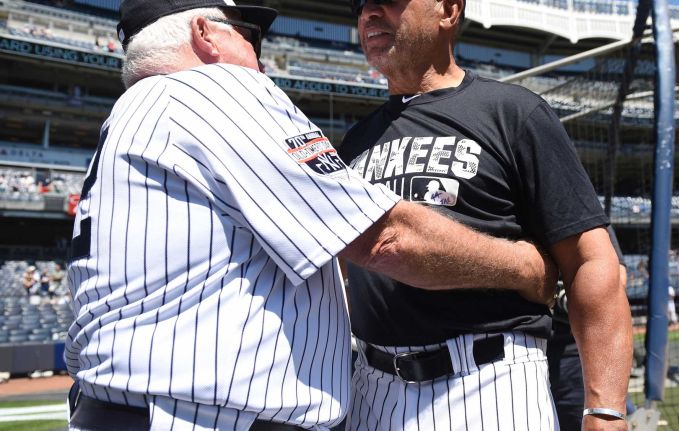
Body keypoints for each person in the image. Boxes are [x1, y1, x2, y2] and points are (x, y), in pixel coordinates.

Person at [65, 1, 557, 430]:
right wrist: (527, 269)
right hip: (199, 416)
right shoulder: (214, 88)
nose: (259, 56)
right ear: (205, 34)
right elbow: (388, 238)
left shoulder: (127, 120)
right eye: (248, 34)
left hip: (118, 406)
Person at [340, 0, 633, 430]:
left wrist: (605, 411)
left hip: (487, 381)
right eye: (359, 3)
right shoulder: (353, 142)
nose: (369, 12)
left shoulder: (513, 113)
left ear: (448, 10)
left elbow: (592, 261)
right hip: (373, 387)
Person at [549, 228, 630, 431]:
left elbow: (617, 277)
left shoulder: (572, 202)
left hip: (573, 356)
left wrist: (569, 300)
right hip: (516, 351)